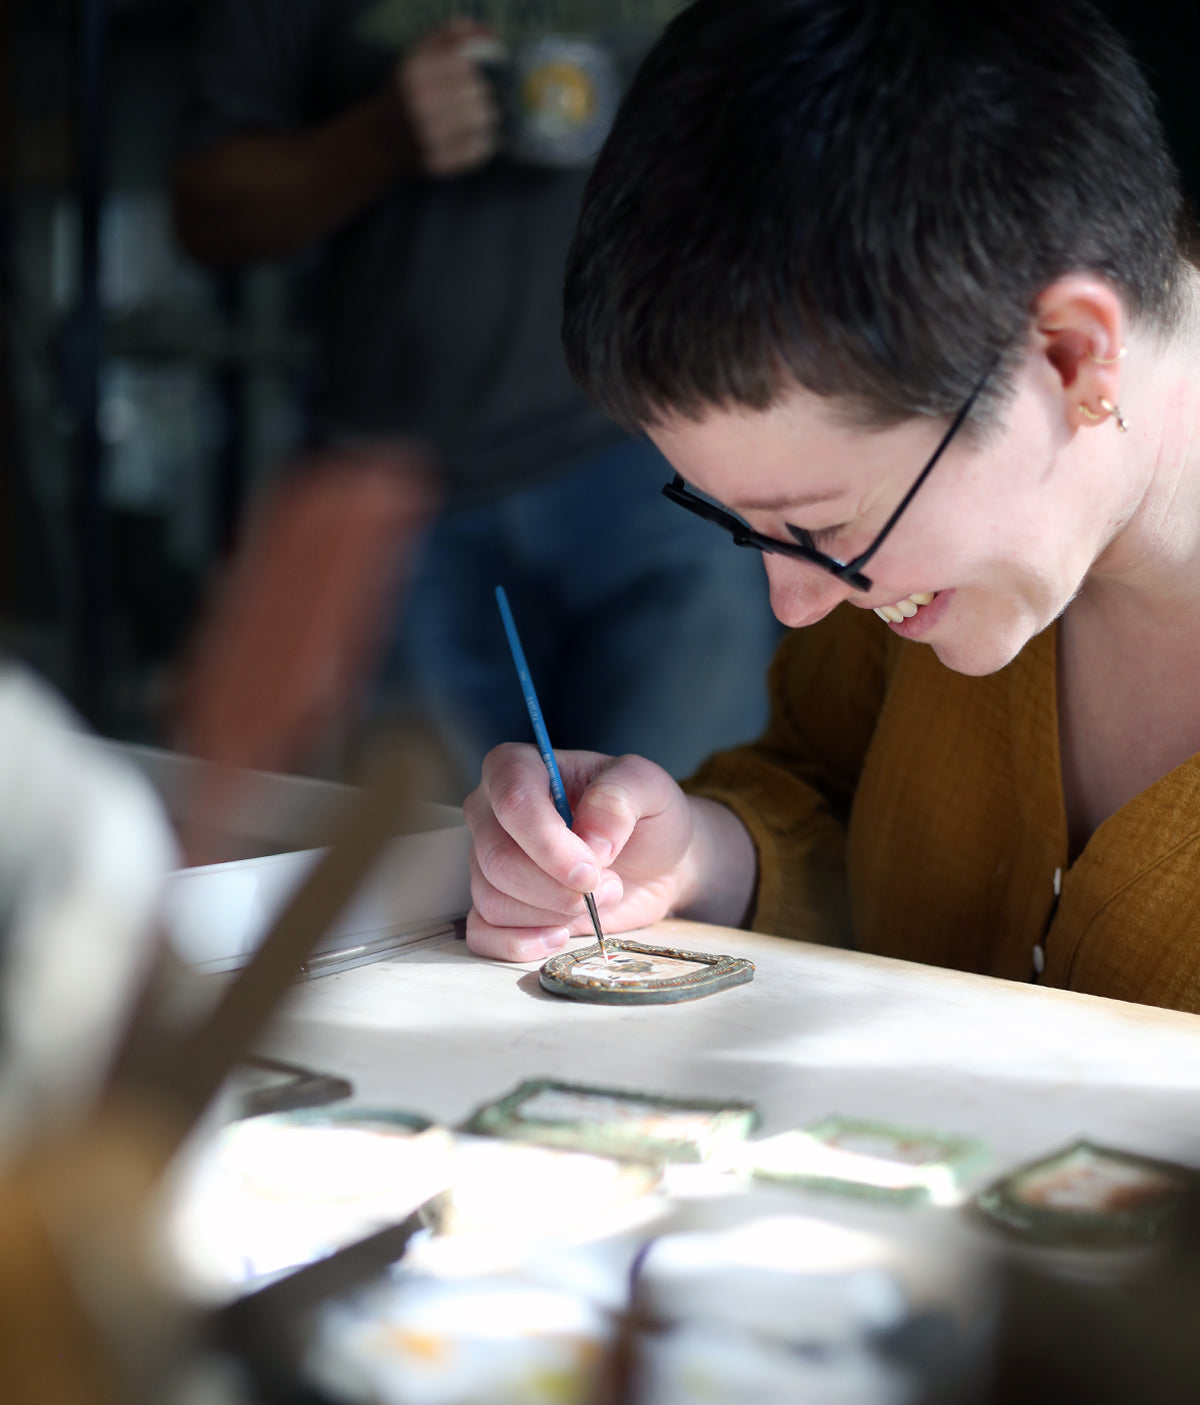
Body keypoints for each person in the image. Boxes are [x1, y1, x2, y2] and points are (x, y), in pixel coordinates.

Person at [463, 0, 1200, 1011]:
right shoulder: (917, 564)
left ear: (1073, 356)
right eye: (743, 525)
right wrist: (691, 857)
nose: (795, 604)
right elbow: (828, 794)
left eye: (822, 527)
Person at [172, 2, 778, 789]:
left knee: (684, 856)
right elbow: (207, 208)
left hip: (674, 472)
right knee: (436, 878)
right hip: (408, 491)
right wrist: (379, 137)